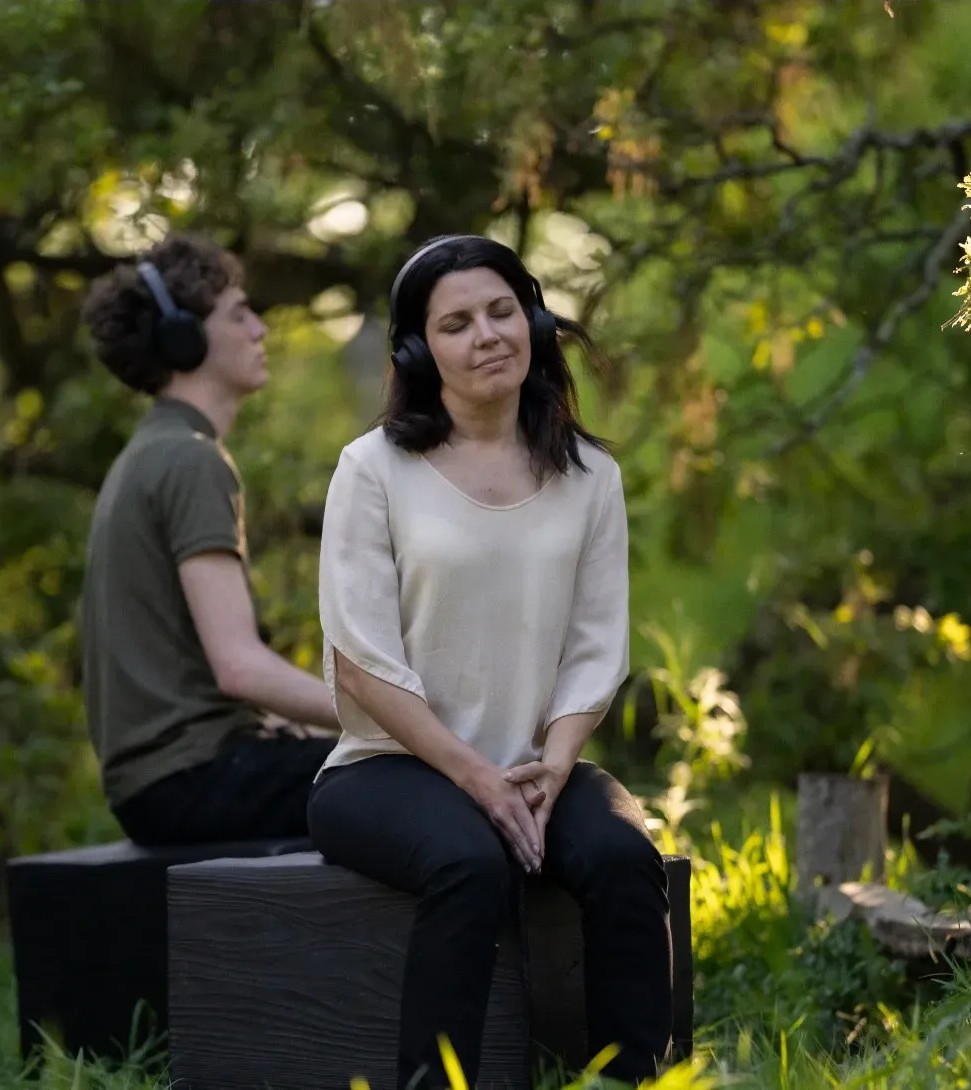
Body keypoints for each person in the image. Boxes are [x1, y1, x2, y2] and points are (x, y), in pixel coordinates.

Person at [308, 234, 671, 1088]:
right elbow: (360, 663)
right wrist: (474, 777)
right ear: (417, 349)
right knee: (469, 865)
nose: (488, 336)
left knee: (624, 859)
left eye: (503, 311)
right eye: (457, 323)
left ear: (535, 320)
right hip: (387, 767)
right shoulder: (372, 471)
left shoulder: (591, 476)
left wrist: (554, 763)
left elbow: (597, 646)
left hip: (537, 765)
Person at [78, 233, 340, 847]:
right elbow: (238, 666)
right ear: (184, 338)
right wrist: (398, 720)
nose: (260, 330)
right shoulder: (190, 461)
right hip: (192, 780)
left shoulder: (152, 453)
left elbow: (204, 669)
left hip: (171, 780)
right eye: (240, 313)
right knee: (428, 777)